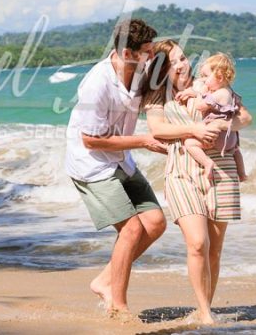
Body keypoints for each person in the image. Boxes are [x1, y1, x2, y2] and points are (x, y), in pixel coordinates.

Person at [143, 40, 252, 325]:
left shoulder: (210, 85)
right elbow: (157, 130)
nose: (182, 65)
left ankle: (206, 308)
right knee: (197, 243)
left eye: (183, 58)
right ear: (162, 69)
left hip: (222, 170)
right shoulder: (158, 97)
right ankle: (205, 314)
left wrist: (219, 125)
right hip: (181, 172)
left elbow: (245, 117)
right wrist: (193, 128)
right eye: (174, 62)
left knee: (214, 249)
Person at [65, 18, 167, 318]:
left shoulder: (140, 72)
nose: (151, 57)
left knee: (156, 222)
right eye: (146, 52)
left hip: (122, 159)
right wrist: (143, 141)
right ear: (127, 53)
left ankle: (105, 280)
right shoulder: (97, 83)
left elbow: (165, 88)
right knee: (132, 229)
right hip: (92, 165)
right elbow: (90, 140)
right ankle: (118, 304)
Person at [177, 53, 247, 182]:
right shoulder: (229, 92)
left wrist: (200, 92)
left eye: (205, 76)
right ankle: (242, 173)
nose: (203, 80)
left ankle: (207, 163)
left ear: (219, 77)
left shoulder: (220, 94)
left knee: (190, 143)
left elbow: (200, 106)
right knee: (236, 151)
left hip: (217, 136)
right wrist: (193, 91)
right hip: (231, 139)